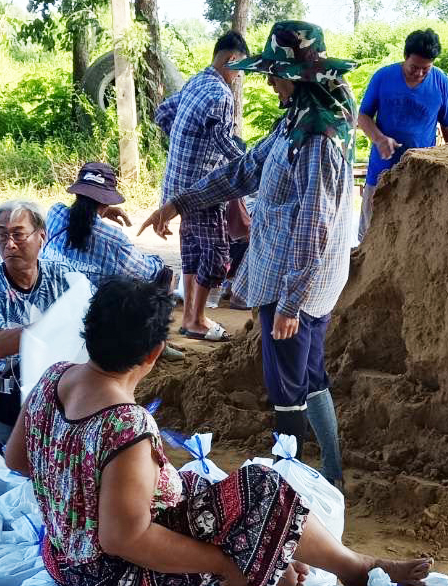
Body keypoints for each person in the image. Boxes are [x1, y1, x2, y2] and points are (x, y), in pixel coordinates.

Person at [3, 277, 432, 586]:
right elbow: (124, 538)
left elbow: (17, 459)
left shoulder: (54, 378)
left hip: (65, 560)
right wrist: (227, 566)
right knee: (262, 488)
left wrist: (74, 492)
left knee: (200, 486)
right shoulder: (124, 426)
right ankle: (340, 568)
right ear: (154, 353)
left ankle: (289, 561)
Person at [141, 21, 356, 489]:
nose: (268, 83)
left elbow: (314, 223)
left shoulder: (316, 137)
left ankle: (288, 484)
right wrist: (181, 201)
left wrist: (290, 302)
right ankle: (333, 473)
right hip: (308, 277)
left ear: (294, 75)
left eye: (273, 74)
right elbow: (244, 170)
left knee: (286, 387)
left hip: (295, 279)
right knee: (310, 372)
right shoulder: (302, 116)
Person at [154, 30, 250, 342]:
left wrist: (185, 142)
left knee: (193, 248)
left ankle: (193, 318)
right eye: (242, 69)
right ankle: (196, 319)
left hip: (175, 184)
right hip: (201, 192)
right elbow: (224, 141)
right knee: (219, 255)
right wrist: (253, 166)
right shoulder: (221, 95)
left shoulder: (196, 81)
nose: (240, 77)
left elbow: (163, 113)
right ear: (232, 59)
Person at [0, 200, 73, 427]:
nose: (10, 244)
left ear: (41, 237)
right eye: (2, 235)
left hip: (56, 374)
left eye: (18, 234)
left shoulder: (64, 277)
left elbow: (91, 314)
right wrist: (60, 323)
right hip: (5, 385)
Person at [356, 28, 448, 240]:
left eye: (426, 69)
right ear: (405, 57)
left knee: (412, 237)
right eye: (414, 67)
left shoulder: (441, 83)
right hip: (381, 170)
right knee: (370, 237)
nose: (420, 73)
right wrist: (379, 139)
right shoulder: (383, 77)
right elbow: (363, 116)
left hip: (421, 176)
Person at [44, 162, 173, 291]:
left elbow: (80, 219)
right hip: (86, 308)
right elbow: (148, 272)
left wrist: (98, 214)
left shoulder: (54, 214)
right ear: (107, 202)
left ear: (77, 194)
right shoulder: (115, 241)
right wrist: (162, 266)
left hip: (48, 300)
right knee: (163, 279)